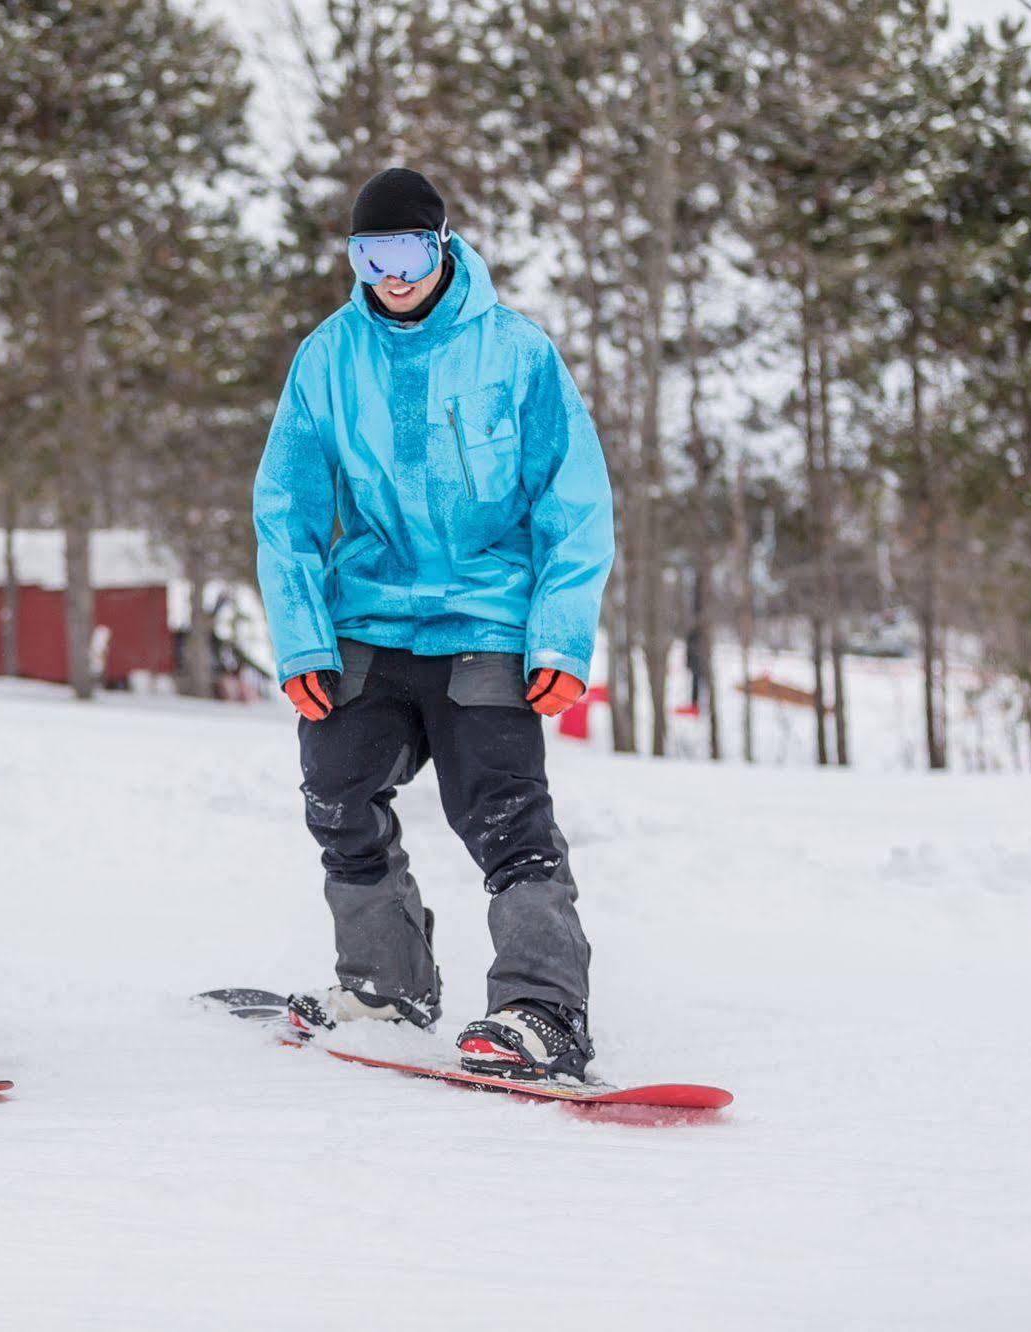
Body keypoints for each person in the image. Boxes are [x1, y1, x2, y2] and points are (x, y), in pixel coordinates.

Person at [252, 168, 614, 1080]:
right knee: (337, 794)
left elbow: (573, 504)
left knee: (503, 816)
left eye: (408, 249)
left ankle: (541, 1010)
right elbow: (286, 507)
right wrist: (301, 638)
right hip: (367, 617)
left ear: (441, 245)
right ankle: (384, 988)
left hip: (488, 620)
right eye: (369, 253)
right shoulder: (327, 357)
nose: (392, 271)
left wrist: (560, 638)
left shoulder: (517, 353)